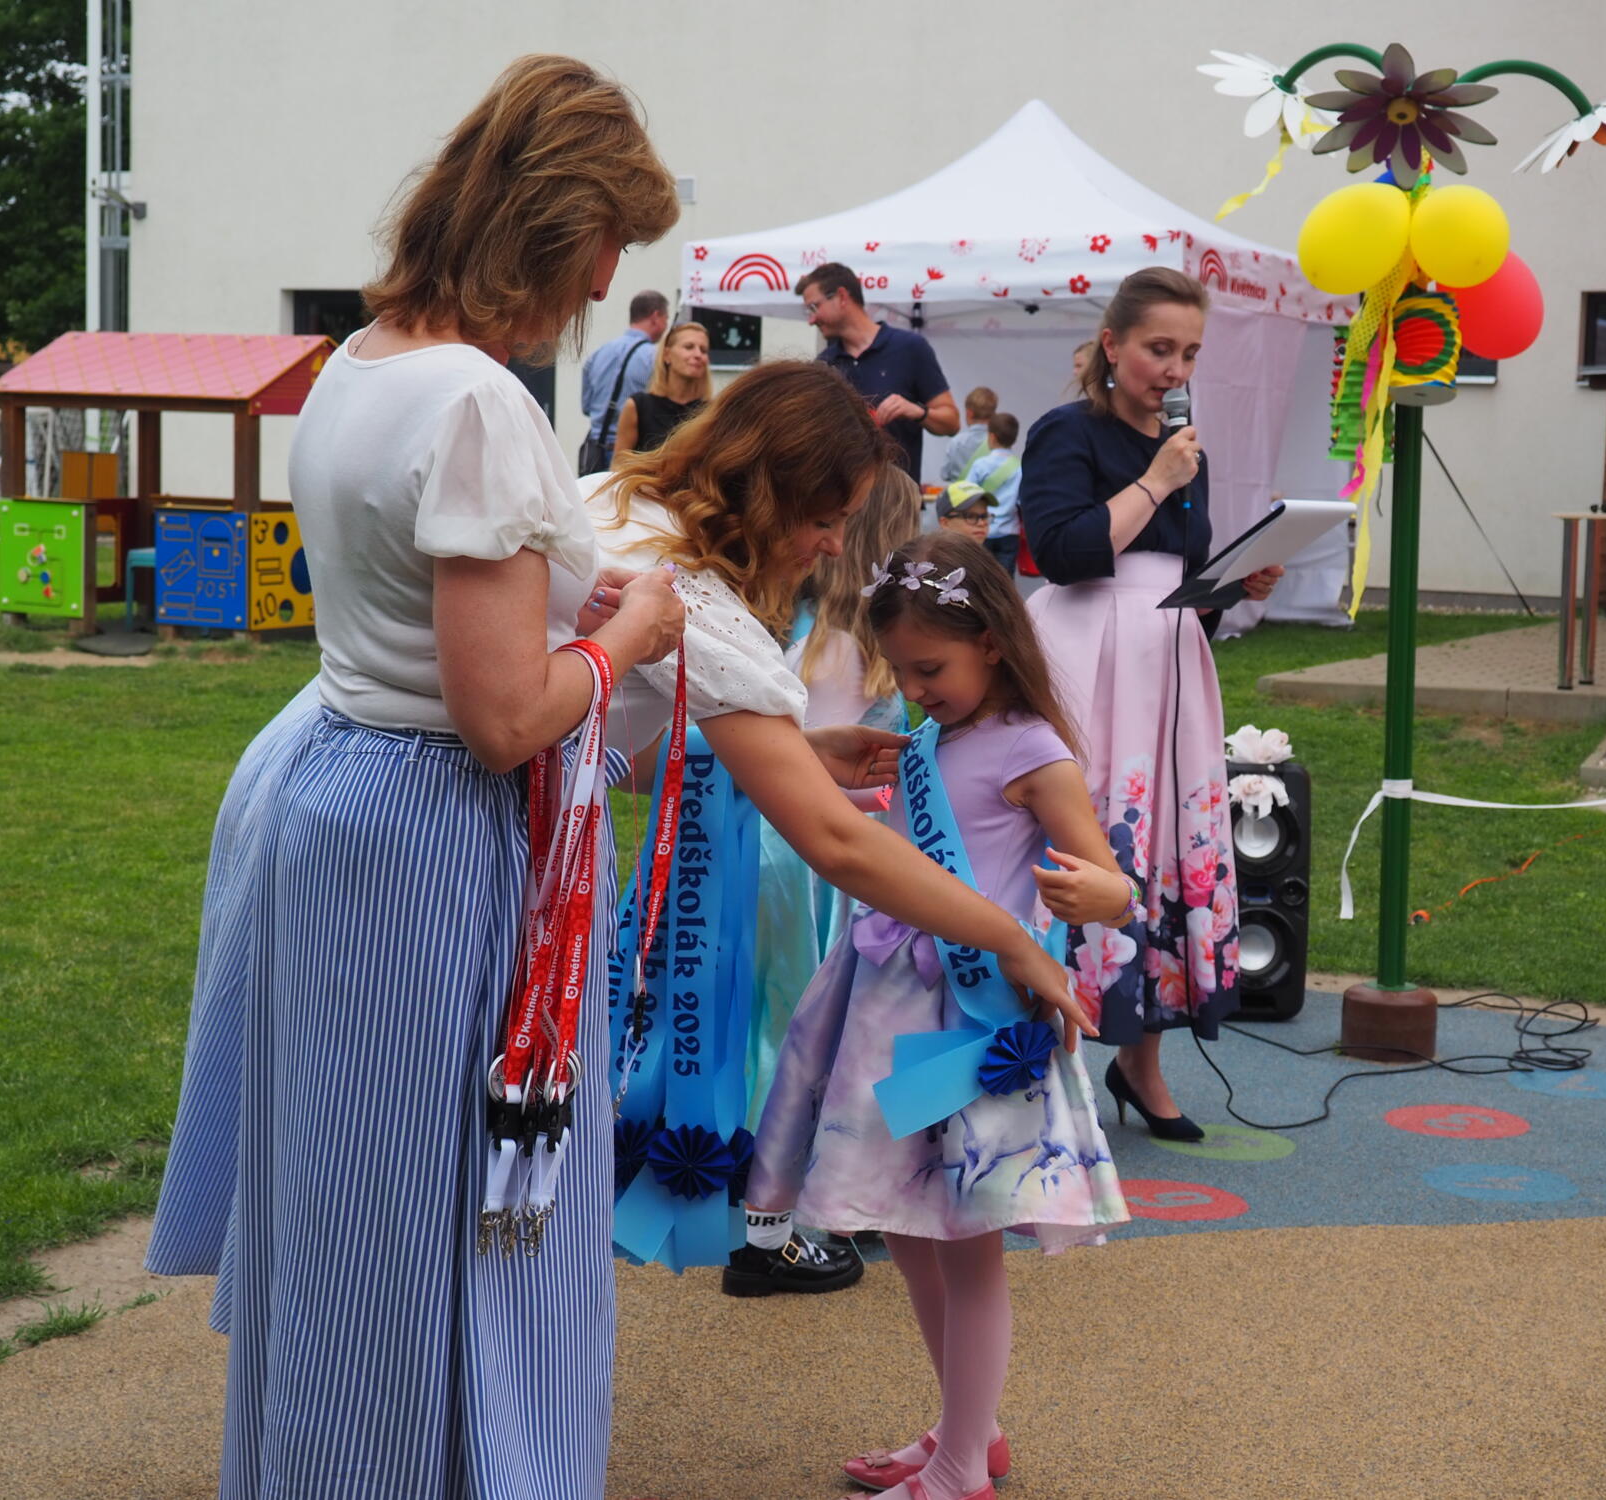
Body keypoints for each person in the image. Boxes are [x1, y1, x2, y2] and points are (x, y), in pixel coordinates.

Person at [142, 56, 688, 1500]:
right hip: (432, 829)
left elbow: (413, 605)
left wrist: (560, 608)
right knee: (453, 1211)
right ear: (551, 225)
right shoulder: (476, 402)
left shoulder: (361, 361)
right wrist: (626, 634)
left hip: (341, 794)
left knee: (353, 1203)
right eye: (603, 246)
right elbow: (502, 717)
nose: (602, 286)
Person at [590, 362, 1087, 1300]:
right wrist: (1016, 940)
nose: (831, 547)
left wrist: (801, 751)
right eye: (825, 518)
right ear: (768, 489)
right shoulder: (694, 598)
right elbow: (841, 844)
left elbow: (629, 753)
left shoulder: (610, 506)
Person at [747, 531, 1138, 1500]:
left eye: (931, 669)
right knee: (911, 1227)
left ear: (992, 643)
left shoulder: (1034, 750)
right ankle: (969, 1429)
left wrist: (1100, 895)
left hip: (970, 1019)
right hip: (889, 1006)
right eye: (905, 671)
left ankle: (962, 1468)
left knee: (966, 1245)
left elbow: (1110, 880)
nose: (917, 690)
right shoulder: (930, 739)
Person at [1018, 267, 1282, 1139]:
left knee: (1165, 845)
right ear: (1112, 345)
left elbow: (1181, 580)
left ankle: (1142, 1061)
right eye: (1159, 349)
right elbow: (1064, 551)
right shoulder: (1069, 433)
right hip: (1088, 656)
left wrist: (1235, 585)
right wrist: (1158, 481)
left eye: (1190, 353)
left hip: (1170, 665)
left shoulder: (1184, 450)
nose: (1175, 370)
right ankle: (1040, 1059)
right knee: (1089, 834)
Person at [750, 465, 923, 1126]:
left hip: (783, 842)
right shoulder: (859, 651)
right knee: (803, 1007)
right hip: (819, 857)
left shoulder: (803, 627)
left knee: (772, 1005)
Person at [799, 262, 958, 478]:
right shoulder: (824, 365)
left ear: (842, 296)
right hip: (843, 496)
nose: (811, 320)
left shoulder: (910, 348)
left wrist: (916, 411)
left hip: (898, 497)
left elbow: (951, 423)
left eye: (814, 307)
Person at [581, 288, 667, 467]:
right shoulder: (655, 357)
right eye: (666, 318)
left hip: (594, 452)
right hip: (631, 453)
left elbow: (586, 406)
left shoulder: (599, 353)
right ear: (656, 317)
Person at [612, 320, 710, 459]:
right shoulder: (638, 406)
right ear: (666, 355)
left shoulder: (711, 412)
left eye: (703, 350)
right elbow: (619, 463)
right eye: (689, 347)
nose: (698, 354)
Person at [965, 413, 1022, 576]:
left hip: (982, 528)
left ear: (992, 437)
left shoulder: (980, 465)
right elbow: (1022, 501)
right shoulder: (1020, 467)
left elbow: (967, 495)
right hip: (1009, 531)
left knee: (980, 576)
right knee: (1004, 579)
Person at [938, 386, 996, 482]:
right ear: (993, 414)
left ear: (969, 413)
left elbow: (945, 474)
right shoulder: (998, 442)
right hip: (990, 491)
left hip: (960, 491)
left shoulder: (956, 442)